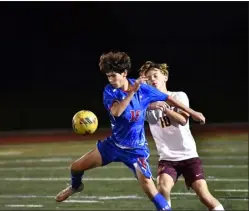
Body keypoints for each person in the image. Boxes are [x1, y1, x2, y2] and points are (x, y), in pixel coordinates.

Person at [55, 51, 205, 211]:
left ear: (124, 73)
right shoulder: (110, 91)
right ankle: (76, 187)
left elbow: (167, 98)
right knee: (75, 167)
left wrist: (193, 112)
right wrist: (132, 91)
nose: (111, 80)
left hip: (136, 151)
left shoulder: (143, 90)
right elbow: (117, 112)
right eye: (108, 76)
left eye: (113, 76)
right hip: (114, 145)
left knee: (153, 193)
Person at [139, 61, 225, 211]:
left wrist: (165, 108)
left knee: (204, 195)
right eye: (149, 78)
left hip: (188, 156)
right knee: (163, 188)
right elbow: (130, 108)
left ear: (165, 77)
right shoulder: (146, 105)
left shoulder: (178, 96)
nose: (153, 79)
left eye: (155, 76)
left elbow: (182, 120)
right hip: (167, 158)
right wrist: (144, 97)